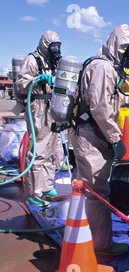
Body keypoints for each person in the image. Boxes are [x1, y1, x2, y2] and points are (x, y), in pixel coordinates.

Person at [72, 24, 129, 255]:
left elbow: (115, 99)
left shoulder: (105, 66)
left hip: (89, 135)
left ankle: (82, 237)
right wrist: (116, 139)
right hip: (93, 137)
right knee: (97, 192)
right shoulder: (102, 68)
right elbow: (101, 108)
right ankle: (101, 245)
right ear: (121, 48)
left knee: (85, 188)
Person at [15, 30, 64, 207]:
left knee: (52, 150)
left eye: (58, 46)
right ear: (45, 44)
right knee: (38, 149)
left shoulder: (54, 62)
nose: (55, 49)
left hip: (53, 108)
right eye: (53, 46)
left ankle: (46, 185)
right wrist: (36, 80)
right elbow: (20, 84)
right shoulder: (32, 60)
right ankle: (33, 191)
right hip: (38, 108)